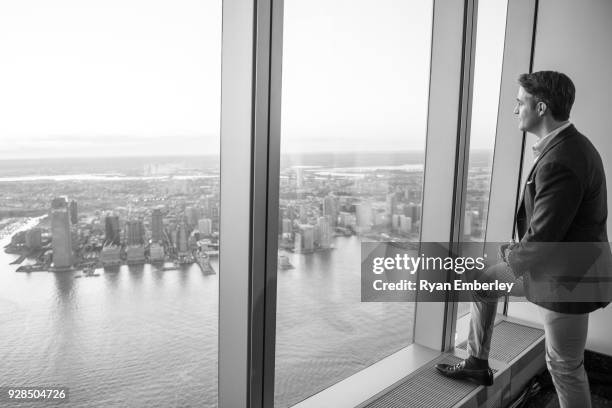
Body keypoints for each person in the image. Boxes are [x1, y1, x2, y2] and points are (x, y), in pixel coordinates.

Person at [435, 71, 610, 408]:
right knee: (485, 284)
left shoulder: (562, 159)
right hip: (569, 268)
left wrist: (512, 261)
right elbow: (555, 226)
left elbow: (544, 238)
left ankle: (476, 363)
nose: (515, 110)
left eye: (519, 103)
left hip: (569, 280)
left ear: (541, 106)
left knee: (564, 365)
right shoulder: (568, 146)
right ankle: (476, 364)